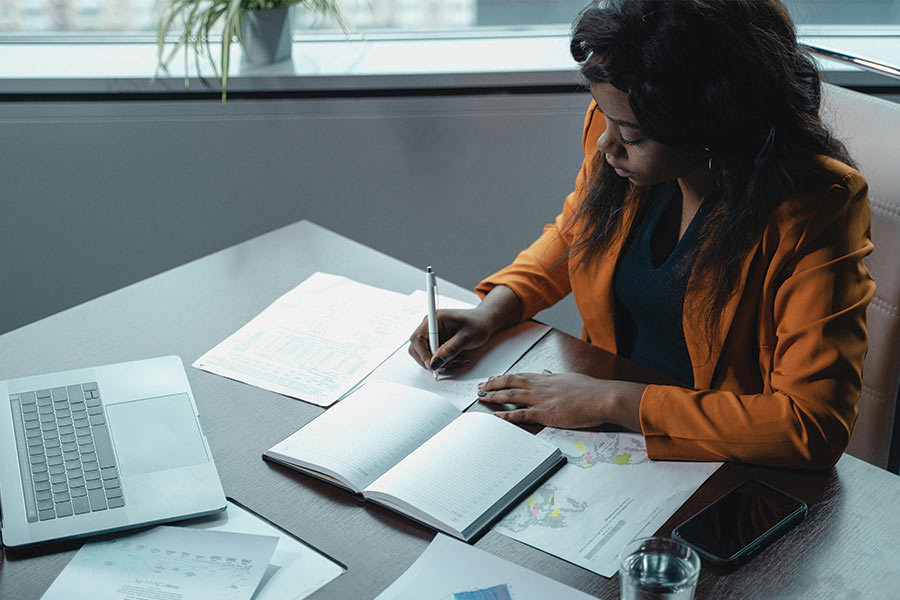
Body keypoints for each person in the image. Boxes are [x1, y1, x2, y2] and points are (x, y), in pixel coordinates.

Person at [408, 0, 875, 470]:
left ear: (711, 124)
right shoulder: (618, 143)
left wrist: (609, 400)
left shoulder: (818, 206)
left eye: (631, 135)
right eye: (605, 115)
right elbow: (575, 234)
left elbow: (810, 426)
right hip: (605, 439)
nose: (607, 143)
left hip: (719, 460)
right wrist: (490, 312)